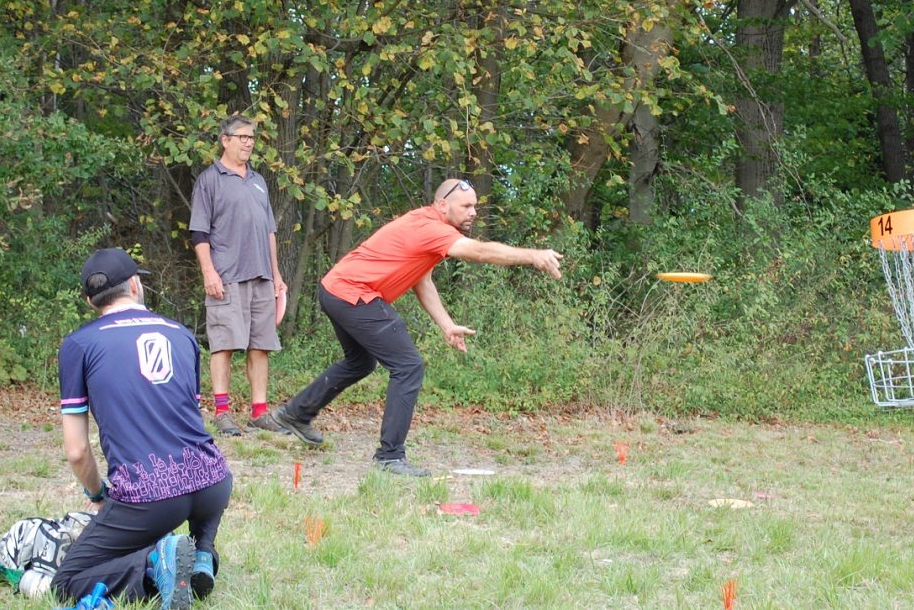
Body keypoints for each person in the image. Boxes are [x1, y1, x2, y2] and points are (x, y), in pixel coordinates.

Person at [265, 178, 564, 476]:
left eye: (475, 206)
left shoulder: (429, 226)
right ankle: (390, 456)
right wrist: (533, 255)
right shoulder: (431, 228)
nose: (473, 212)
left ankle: (295, 413)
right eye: (467, 206)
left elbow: (422, 280)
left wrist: (447, 325)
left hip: (336, 290)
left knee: (360, 363)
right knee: (408, 366)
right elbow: (481, 252)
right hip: (353, 293)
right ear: (443, 205)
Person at [52, 248, 233, 610]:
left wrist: (98, 495)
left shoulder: (80, 344)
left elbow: (76, 450)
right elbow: (185, 419)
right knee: (194, 490)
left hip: (152, 498)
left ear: (91, 301)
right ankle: (202, 552)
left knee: (67, 581)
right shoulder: (182, 335)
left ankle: (154, 563)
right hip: (214, 481)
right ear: (135, 285)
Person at [189, 114, 289, 435]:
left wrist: (276, 275)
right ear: (225, 140)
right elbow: (199, 234)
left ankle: (259, 412)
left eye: (252, 138)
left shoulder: (258, 181)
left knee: (260, 345)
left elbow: (270, 231)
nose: (248, 142)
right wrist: (209, 272)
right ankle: (222, 412)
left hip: (261, 276)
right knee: (225, 344)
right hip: (227, 276)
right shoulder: (210, 179)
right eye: (242, 137)